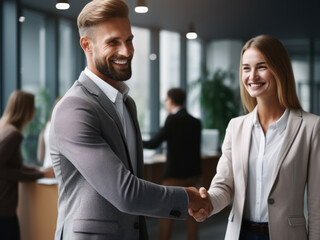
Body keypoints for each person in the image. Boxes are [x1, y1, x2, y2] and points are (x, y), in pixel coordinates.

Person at [49, 0, 212, 239]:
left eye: (129, 40)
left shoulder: (126, 103)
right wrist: (187, 196)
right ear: (87, 45)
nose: (126, 51)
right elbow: (125, 191)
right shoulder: (74, 107)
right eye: (113, 42)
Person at [190, 35, 320, 240]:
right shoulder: (235, 126)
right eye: (246, 68)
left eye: (261, 67)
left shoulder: (311, 127)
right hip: (240, 234)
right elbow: (224, 186)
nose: (252, 76)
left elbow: (318, 207)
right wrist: (207, 202)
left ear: (279, 69)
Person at [143, 88, 202, 240]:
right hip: (193, 175)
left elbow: (154, 143)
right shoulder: (195, 122)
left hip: (175, 175)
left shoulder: (172, 119)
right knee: (192, 215)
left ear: (170, 101)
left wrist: (135, 140)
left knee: (166, 214)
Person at [0, 90, 55, 240]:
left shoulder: (6, 129)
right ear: (26, 110)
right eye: (33, 108)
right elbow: (4, 170)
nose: (35, 112)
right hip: (4, 211)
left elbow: (13, 165)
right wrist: (41, 174)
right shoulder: (13, 134)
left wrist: (36, 169)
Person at [37, 96, 61, 169]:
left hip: (47, 169)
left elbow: (40, 157)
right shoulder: (66, 128)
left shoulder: (45, 129)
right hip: (59, 171)